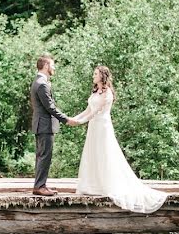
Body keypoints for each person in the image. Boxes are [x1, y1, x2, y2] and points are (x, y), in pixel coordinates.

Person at [73, 65, 167, 213]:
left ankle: (105, 184)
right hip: (93, 127)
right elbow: (88, 110)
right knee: (92, 154)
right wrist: (73, 118)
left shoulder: (107, 93)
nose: (93, 76)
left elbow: (96, 112)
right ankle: (92, 185)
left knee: (105, 154)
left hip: (102, 127)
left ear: (102, 76)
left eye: (95, 74)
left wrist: (79, 122)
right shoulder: (95, 91)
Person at [31, 53, 78, 196]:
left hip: (40, 125)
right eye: (52, 65)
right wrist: (66, 119)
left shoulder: (37, 82)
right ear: (46, 66)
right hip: (44, 125)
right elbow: (49, 107)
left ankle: (40, 185)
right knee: (45, 156)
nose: (54, 67)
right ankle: (40, 186)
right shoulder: (42, 84)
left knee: (41, 156)